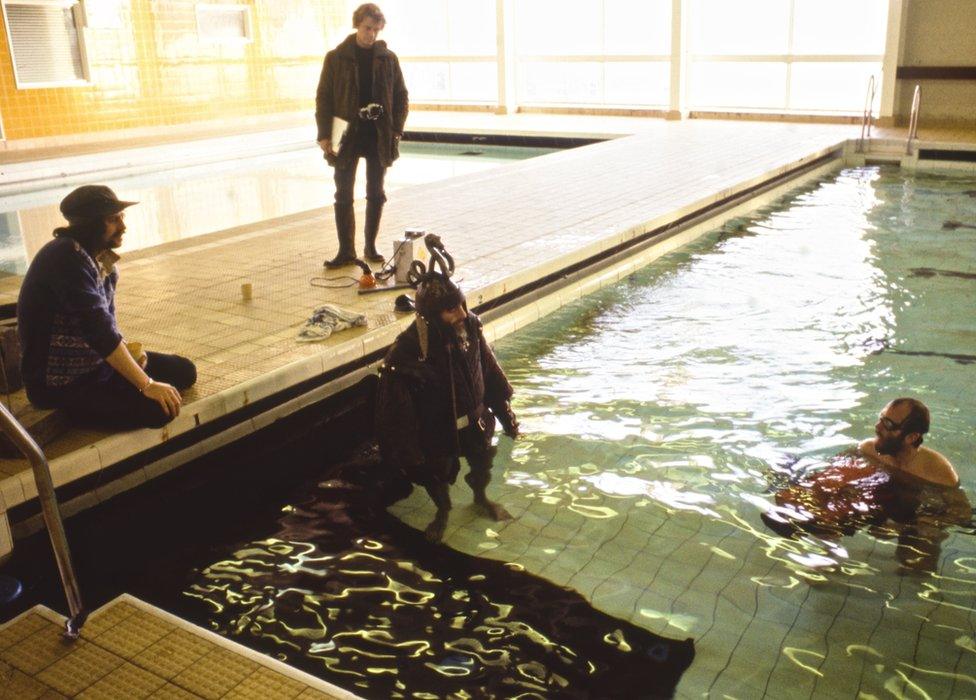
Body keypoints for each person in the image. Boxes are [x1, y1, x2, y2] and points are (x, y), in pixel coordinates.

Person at [17, 185, 196, 430]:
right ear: (89, 224)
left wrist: (131, 359)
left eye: (121, 217)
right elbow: (98, 331)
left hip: (99, 369)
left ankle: (113, 394)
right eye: (113, 219)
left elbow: (106, 325)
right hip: (62, 385)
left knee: (184, 371)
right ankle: (76, 413)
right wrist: (146, 384)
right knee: (158, 411)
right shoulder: (64, 257)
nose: (123, 226)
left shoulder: (100, 258)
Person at [375, 273, 518, 542]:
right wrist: (408, 454)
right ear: (430, 315)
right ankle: (443, 511)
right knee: (436, 476)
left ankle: (480, 498)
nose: (462, 314)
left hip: (476, 423)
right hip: (437, 433)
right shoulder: (407, 350)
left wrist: (506, 415)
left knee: (482, 465)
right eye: (452, 310)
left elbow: (488, 369)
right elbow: (394, 413)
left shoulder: (471, 327)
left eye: (462, 305)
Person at [315, 3, 408, 268]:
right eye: (368, 28)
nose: (371, 35)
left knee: (376, 192)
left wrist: (396, 129)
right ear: (357, 24)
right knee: (343, 193)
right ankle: (346, 251)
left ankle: (370, 245)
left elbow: (402, 95)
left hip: (378, 133)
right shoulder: (336, 58)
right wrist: (324, 134)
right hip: (345, 132)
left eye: (376, 30)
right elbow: (324, 97)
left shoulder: (388, 59)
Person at [859, 398, 958, 488]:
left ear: (911, 437)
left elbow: (958, 507)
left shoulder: (939, 473)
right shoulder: (867, 450)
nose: (877, 426)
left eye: (888, 424)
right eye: (881, 418)